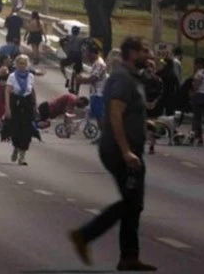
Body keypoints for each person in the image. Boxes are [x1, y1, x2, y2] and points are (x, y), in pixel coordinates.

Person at [69, 37, 156, 271]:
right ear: (131, 53)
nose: (150, 56)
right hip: (119, 150)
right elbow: (115, 115)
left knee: (134, 202)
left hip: (129, 149)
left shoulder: (133, 79)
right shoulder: (121, 79)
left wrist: (144, 123)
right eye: (145, 51)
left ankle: (129, 257)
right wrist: (126, 151)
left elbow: (129, 112)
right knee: (131, 201)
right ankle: (85, 236)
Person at [4, 54, 38, 165]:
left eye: (24, 64)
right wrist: (7, 108)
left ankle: (22, 156)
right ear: (16, 64)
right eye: (20, 63)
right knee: (16, 130)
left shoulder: (31, 76)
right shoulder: (12, 76)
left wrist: (35, 106)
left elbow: (32, 91)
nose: (22, 66)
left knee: (27, 131)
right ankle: (16, 148)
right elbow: (7, 92)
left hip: (27, 104)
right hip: (16, 103)